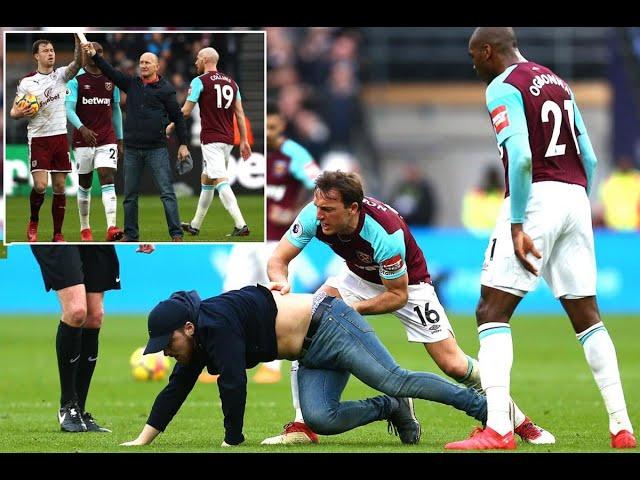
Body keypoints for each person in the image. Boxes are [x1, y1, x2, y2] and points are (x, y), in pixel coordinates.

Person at [445, 27, 636, 450]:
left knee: (490, 311)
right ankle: (622, 427)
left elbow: (523, 156)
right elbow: (590, 156)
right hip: (575, 197)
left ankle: (497, 430)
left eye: (474, 56)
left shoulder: (502, 86)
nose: (473, 64)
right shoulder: (556, 81)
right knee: (588, 315)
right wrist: (575, 205)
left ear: (488, 51)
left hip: (536, 199)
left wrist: (518, 221)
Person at [264, 170, 552, 445]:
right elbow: (279, 260)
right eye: (318, 206)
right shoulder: (314, 215)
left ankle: (520, 422)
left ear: (352, 208)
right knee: (308, 321)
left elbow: (397, 296)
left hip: (409, 286)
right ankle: (302, 424)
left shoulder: (384, 233)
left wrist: (352, 310)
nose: (319, 215)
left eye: (328, 209)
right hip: (356, 277)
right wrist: (280, 282)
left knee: (453, 364)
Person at [120, 285, 489, 447]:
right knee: (320, 419)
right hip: (308, 353)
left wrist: (232, 441)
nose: (166, 353)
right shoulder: (194, 340)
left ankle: (485, 408)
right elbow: (176, 388)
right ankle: (389, 407)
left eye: (167, 344)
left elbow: (233, 382)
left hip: (331, 324)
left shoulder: (213, 324)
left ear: (187, 329)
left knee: (392, 378)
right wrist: (142, 440)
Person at [224, 101, 321, 385]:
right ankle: (226, 361)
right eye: (263, 126)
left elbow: (320, 182)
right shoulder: (249, 151)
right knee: (230, 295)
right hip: (248, 237)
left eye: (273, 126)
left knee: (275, 302)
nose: (267, 131)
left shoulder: (293, 153)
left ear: (283, 125)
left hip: (277, 243)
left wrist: (295, 211)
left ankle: (273, 367)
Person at [83, 42, 190, 242]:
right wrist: (95, 56)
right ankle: (131, 234)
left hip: (156, 148)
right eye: (142, 62)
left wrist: (183, 144)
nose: (144, 65)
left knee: (167, 193)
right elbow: (110, 72)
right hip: (132, 149)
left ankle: (176, 233)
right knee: (130, 195)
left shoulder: (166, 90)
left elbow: (177, 116)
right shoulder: (131, 83)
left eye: (148, 62)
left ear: (157, 66)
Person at [10, 35, 83, 242]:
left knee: (60, 187)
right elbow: (13, 112)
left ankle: (57, 234)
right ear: (36, 56)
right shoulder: (27, 82)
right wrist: (21, 112)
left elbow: (78, 63)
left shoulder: (61, 75)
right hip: (39, 139)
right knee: (41, 186)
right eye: (45, 51)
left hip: (59, 137)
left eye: (51, 50)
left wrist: (78, 40)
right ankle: (33, 221)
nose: (50, 53)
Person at [176, 47, 252, 237]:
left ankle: (241, 224)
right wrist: (243, 141)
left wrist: (170, 125)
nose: (195, 62)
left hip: (211, 139)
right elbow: (240, 114)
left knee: (219, 180)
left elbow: (185, 111)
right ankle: (195, 225)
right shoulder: (232, 83)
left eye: (197, 58)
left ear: (205, 59)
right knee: (207, 179)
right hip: (227, 139)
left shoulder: (199, 81)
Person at [66, 41, 125, 242]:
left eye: (99, 51)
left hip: (106, 137)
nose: (96, 54)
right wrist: (82, 129)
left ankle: (111, 227)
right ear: (85, 55)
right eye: (92, 51)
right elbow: (68, 109)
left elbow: (115, 109)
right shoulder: (76, 80)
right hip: (84, 140)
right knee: (85, 183)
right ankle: (85, 228)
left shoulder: (111, 79)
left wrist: (120, 138)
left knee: (107, 177)